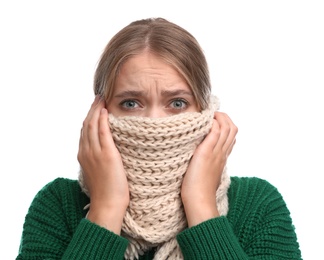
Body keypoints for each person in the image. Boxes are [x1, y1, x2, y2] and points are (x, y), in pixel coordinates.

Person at [17, 17, 302, 259]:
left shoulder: (258, 206)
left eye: (177, 103)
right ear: (99, 114)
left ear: (206, 111)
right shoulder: (57, 205)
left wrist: (201, 205)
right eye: (131, 103)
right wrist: (106, 209)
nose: (154, 123)